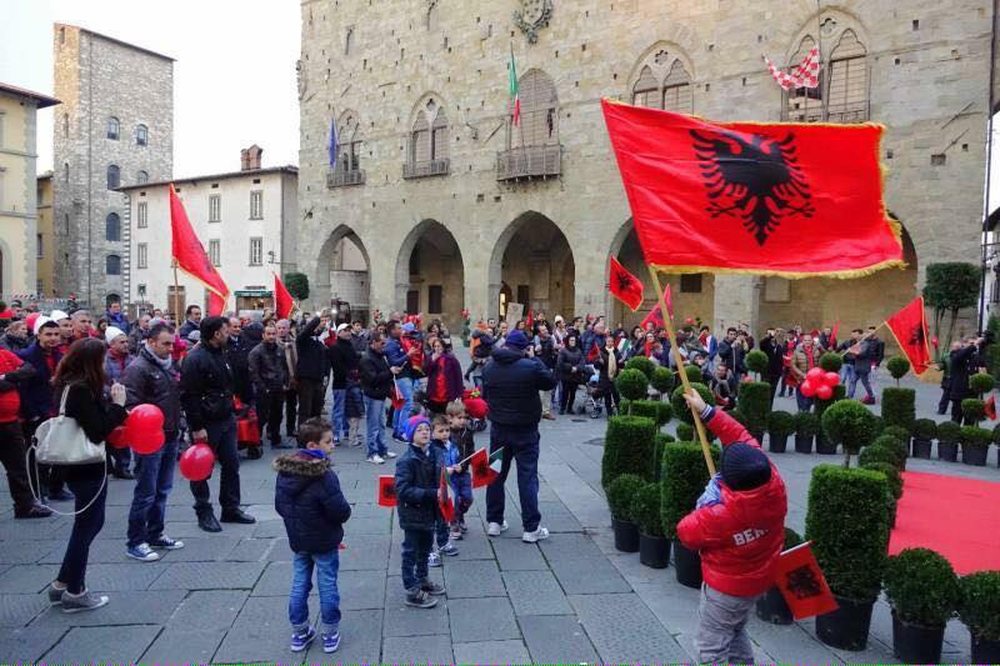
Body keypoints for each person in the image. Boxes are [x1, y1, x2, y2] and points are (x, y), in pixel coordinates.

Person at [677, 388, 787, 665]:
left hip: (725, 589)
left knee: (710, 647)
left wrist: (706, 501)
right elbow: (740, 436)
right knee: (735, 629)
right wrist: (706, 411)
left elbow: (686, 532)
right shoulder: (771, 480)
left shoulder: (720, 514)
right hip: (758, 578)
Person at [46, 338, 128, 613]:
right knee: (88, 525)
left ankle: (62, 582)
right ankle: (75, 590)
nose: (106, 365)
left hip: (77, 464)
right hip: (85, 464)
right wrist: (118, 405)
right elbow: (97, 430)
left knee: (88, 523)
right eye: (103, 360)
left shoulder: (68, 384)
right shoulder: (80, 389)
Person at [274, 417, 351, 654]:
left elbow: (280, 506)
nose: (333, 445)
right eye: (328, 442)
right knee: (327, 584)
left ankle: (300, 631)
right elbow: (340, 511)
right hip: (324, 540)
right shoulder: (324, 475)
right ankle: (329, 633)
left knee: (299, 583)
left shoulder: (285, 472)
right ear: (312, 446)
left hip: (299, 540)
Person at [180, 316, 256, 532]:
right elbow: (189, 395)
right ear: (216, 334)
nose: (230, 333)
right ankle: (204, 511)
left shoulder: (222, 353)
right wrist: (196, 426)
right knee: (202, 469)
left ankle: (231, 507)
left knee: (231, 465)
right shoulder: (195, 359)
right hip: (206, 422)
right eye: (226, 330)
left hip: (225, 418)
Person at [481, 330, 557, 542]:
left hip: (498, 430)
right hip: (525, 431)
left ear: (506, 345)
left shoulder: (489, 367)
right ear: (525, 347)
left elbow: (485, 394)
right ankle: (531, 528)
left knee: (495, 474)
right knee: (527, 477)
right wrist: (535, 358)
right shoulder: (530, 366)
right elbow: (550, 381)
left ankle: (494, 521)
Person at [121, 322, 185, 561]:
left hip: (169, 434)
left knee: (162, 489)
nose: (170, 348)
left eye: (172, 343)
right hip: (150, 439)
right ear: (151, 342)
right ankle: (136, 541)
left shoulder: (168, 365)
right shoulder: (138, 368)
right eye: (165, 344)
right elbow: (131, 404)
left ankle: (155, 532)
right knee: (146, 491)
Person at [393, 416, 447, 608]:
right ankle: (411, 588)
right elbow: (403, 490)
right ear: (410, 436)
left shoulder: (433, 453)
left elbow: (439, 475)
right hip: (412, 514)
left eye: (426, 428)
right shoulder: (406, 460)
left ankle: (422, 579)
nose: (424, 432)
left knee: (425, 547)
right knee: (410, 551)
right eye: (419, 430)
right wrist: (432, 493)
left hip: (429, 511)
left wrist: (449, 472)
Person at [18, 318, 71, 502]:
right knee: (36, 455)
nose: (53, 338)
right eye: (48, 334)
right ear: (38, 335)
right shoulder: (26, 355)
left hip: (56, 409)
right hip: (36, 411)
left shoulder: (62, 355)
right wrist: (30, 413)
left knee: (60, 451)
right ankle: (38, 491)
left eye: (56, 334)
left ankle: (56, 487)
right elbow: (22, 388)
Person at [0, 342, 50, 518]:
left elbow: (29, 369)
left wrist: (6, 377)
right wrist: (13, 381)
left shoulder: (5, 354)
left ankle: (25, 505)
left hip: (11, 422)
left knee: (18, 468)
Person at [248, 322, 292, 450]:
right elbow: (253, 372)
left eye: (273, 334)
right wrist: (263, 387)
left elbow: (284, 367)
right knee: (261, 416)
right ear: (263, 335)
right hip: (264, 389)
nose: (272, 336)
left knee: (277, 415)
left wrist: (285, 382)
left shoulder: (279, 349)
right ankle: (256, 440)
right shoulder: (256, 352)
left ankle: (276, 439)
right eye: (269, 334)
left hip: (278, 388)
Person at [359, 332, 396, 464]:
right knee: (373, 425)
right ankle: (372, 452)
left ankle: (382, 449)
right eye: (381, 343)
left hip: (380, 395)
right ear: (373, 343)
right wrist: (390, 373)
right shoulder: (367, 359)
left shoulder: (380, 356)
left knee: (380, 424)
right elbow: (372, 379)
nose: (383, 346)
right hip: (373, 395)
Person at [103, 326, 135, 479]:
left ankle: (123, 466)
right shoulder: (104, 361)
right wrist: (112, 392)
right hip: (110, 402)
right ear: (112, 344)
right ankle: (112, 464)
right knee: (112, 435)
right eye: (121, 342)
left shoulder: (131, 359)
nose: (126, 345)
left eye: (126, 342)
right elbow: (101, 382)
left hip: (127, 401)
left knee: (125, 435)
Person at [427, 416, 459, 566]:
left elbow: (454, 459)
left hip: (445, 485)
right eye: (441, 431)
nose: (445, 433)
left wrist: (457, 466)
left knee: (443, 517)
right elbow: (433, 468)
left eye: (447, 430)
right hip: (432, 488)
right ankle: (427, 549)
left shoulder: (450, 445)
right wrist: (445, 471)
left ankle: (443, 542)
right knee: (430, 520)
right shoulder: (432, 448)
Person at [445, 401, 475, 540]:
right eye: (459, 418)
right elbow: (440, 453)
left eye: (465, 418)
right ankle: (453, 522)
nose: (463, 421)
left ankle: (460, 515)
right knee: (454, 499)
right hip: (451, 474)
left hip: (463, 472)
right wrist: (449, 467)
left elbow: (470, 451)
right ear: (450, 418)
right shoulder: (445, 433)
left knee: (468, 498)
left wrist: (465, 465)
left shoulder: (467, 433)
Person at [296, 314, 330, 428]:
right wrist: (317, 318)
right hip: (306, 379)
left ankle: (314, 434)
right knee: (305, 409)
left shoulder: (318, 342)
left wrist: (324, 375)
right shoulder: (303, 340)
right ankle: (303, 436)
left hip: (318, 379)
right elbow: (307, 330)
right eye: (316, 326)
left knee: (316, 409)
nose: (318, 328)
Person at [327, 323, 359, 443]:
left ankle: (347, 432)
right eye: (345, 330)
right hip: (341, 383)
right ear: (339, 333)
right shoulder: (335, 347)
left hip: (352, 382)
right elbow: (338, 367)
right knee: (339, 409)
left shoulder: (350, 346)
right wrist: (349, 374)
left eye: (349, 330)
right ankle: (335, 434)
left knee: (349, 409)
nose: (348, 332)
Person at [385, 320, 416, 441]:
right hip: (401, 377)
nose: (401, 330)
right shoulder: (391, 344)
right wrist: (408, 355)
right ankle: (401, 431)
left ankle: (397, 430)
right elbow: (394, 362)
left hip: (404, 375)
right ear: (392, 330)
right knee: (408, 403)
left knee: (401, 404)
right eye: (398, 328)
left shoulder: (397, 341)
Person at [423, 337, 463, 415]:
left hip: (448, 392)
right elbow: (426, 371)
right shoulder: (430, 358)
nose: (437, 348)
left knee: (447, 415)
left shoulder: (451, 359)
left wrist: (459, 394)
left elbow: (458, 377)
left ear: (443, 347)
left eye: (439, 346)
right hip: (434, 392)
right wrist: (433, 361)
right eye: (435, 346)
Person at [948, 337, 983, 423]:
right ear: (964, 344)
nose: (974, 346)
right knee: (956, 420)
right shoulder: (955, 354)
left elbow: (982, 369)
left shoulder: (975, 357)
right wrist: (974, 344)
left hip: (972, 394)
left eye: (973, 344)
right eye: (970, 344)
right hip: (959, 394)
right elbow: (960, 356)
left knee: (970, 421)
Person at [276, 319, 298, 438]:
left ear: (288, 329)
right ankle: (274, 430)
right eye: (279, 328)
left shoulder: (294, 342)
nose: (281, 330)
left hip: (292, 378)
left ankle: (291, 428)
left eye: (284, 328)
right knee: (277, 407)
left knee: (292, 406)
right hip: (279, 379)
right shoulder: (274, 343)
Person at [534, 324, 558, 420]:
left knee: (548, 389)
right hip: (538, 367)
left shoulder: (551, 339)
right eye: (543, 330)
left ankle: (546, 411)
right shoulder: (535, 340)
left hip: (549, 366)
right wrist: (536, 350)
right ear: (539, 333)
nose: (546, 331)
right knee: (539, 391)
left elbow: (554, 352)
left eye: (546, 329)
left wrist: (557, 349)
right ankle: (538, 410)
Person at [790, 333, 820, 412]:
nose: (807, 342)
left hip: (813, 380)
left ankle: (806, 413)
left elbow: (825, 357)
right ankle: (801, 413)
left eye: (809, 340)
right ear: (802, 341)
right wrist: (801, 375)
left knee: (809, 401)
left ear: (812, 341)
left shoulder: (817, 351)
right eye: (805, 340)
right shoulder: (797, 352)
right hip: (802, 379)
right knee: (801, 401)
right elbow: (793, 365)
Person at [846, 329, 877, 404]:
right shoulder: (858, 343)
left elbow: (861, 353)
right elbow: (855, 356)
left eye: (856, 334)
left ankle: (871, 397)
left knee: (865, 383)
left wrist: (851, 351)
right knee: (852, 380)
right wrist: (850, 354)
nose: (855, 336)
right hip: (857, 366)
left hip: (864, 367)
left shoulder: (865, 343)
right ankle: (849, 396)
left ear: (861, 335)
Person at [556, 333, 584, 415]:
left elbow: (582, 362)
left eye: (574, 340)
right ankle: (562, 408)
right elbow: (560, 363)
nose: (573, 342)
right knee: (565, 392)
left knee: (573, 393)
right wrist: (570, 367)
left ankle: (570, 408)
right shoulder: (563, 351)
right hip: (566, 375)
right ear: (568, 341)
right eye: (571, 340)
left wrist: (577, 368)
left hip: (576, 375)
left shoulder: (578, 351)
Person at [758, 328, 786, 405]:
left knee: (772, 393)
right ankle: (763, 409)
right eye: (769, 333)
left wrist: (781, 371)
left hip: (776, 374)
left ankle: (769, 409)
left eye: (773, 333)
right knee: (765, 392)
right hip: (766, 372)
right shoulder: (765, 345)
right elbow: (761, 343)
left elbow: (780, 359)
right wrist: (769, 336)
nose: (772, 335)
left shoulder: (779, 346)